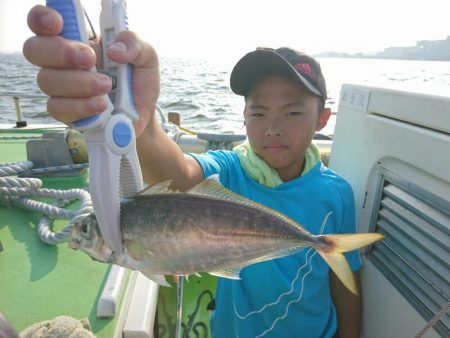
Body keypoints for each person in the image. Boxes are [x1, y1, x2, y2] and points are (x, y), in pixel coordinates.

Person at [24, 5, 362, 338]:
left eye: (292, 113)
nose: (273, 128)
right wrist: (133, 118)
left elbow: (344, 284)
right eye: (258, 113)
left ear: (322, 118)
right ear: (243, 118)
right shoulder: (230, 169)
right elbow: (181, 175)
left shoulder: (337, 193)